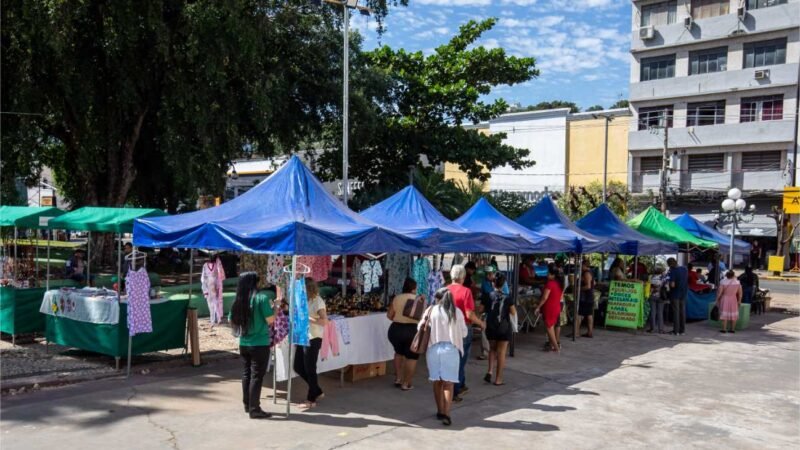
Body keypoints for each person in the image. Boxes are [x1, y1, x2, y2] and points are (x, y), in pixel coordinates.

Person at [229, 272, 275, 419]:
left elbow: (232, 320)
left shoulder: (238, 300)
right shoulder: (262, 298)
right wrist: (276, 308)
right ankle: (255, 408)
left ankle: (247, 405)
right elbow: (270, 320)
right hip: (260, 343)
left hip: (244, 343)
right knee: (257, 376)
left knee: (246, 373)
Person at [424, 288, 468, 426]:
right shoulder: (457, 312)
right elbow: (464, 333)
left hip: (433, 349)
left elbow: (421, 327)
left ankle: (440, 411)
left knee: (437, 382)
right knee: (449, 384)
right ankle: (447, 414)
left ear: (438, 298)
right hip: (451, 349)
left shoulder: (431, 310)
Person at [447, 264, 485, 402]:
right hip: (463, 329)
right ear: (463, 277)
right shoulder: (466, 291)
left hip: (447, 327)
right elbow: (469, 314)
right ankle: (455, 390)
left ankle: (458, 385)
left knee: (451, 358)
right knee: (460, 360)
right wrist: (480, 323)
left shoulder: (445, 290)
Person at [293, 279, 328, 409]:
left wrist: (307, 318)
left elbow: (324, 321)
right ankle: (317, 390)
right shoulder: (304, 301)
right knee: (298, 366)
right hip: (303, 337)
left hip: (313, 338)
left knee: (310, 368)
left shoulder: (317, 301)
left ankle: (311, 399)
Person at [387, 278, 421, 390]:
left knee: (398, 353)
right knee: (411, 357)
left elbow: (389, 315)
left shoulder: (397, 298)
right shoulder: (418, 299)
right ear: (414, 288)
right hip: (412, 330)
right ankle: (406, 383)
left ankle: (398, 378)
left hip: (395, 329)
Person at [482, 273, 517, 385]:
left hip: (491, 326)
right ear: (504, 284)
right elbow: (513, 312)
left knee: (492, 349)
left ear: (493, 283)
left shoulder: (488, 296)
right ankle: (498, 379)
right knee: (501, 353)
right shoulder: (507, 298)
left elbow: (481, 309)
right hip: (503, 327)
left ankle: (490, 371)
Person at [535, 266, 563, 352]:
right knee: (552, 326)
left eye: (548, 273)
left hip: (550, 307)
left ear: (553, 275)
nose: (547, 275)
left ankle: (556, 347)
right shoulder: (559, 283)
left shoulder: (550, 284)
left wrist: (538, 307)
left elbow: (544, 297)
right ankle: (553, 345)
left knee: (549, 328)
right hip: (556, 306)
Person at [667, 258, 689, 336]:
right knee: (682, 312)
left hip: (675, 294)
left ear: (669, 264)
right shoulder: (684, 269)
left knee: (676, 312)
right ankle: (682, 331)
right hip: (683, 293)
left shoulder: (673, 271)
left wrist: (668, 284)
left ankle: (675, 331)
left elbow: (672, 285)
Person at [576, 259, 596, 338]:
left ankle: (577, 332)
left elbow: (588, 286)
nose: (580, 267)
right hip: (589, 297)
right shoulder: (590, 272)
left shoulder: (586, 273)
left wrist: (578, 289)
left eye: (581, 265)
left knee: (579, 314)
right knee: (589, 314)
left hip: (585, 297)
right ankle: (590, 332)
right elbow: (594, 283)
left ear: (584, 265)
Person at [647, 266, 667, 334]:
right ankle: (661, 330)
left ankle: (652, 329)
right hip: (661, 296)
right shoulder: (663, 278)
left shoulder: (650, 277)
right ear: (661, 271)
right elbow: (667, 287)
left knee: (652, 312)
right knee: (660, 313)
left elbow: (648, 285)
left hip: (652, 296)